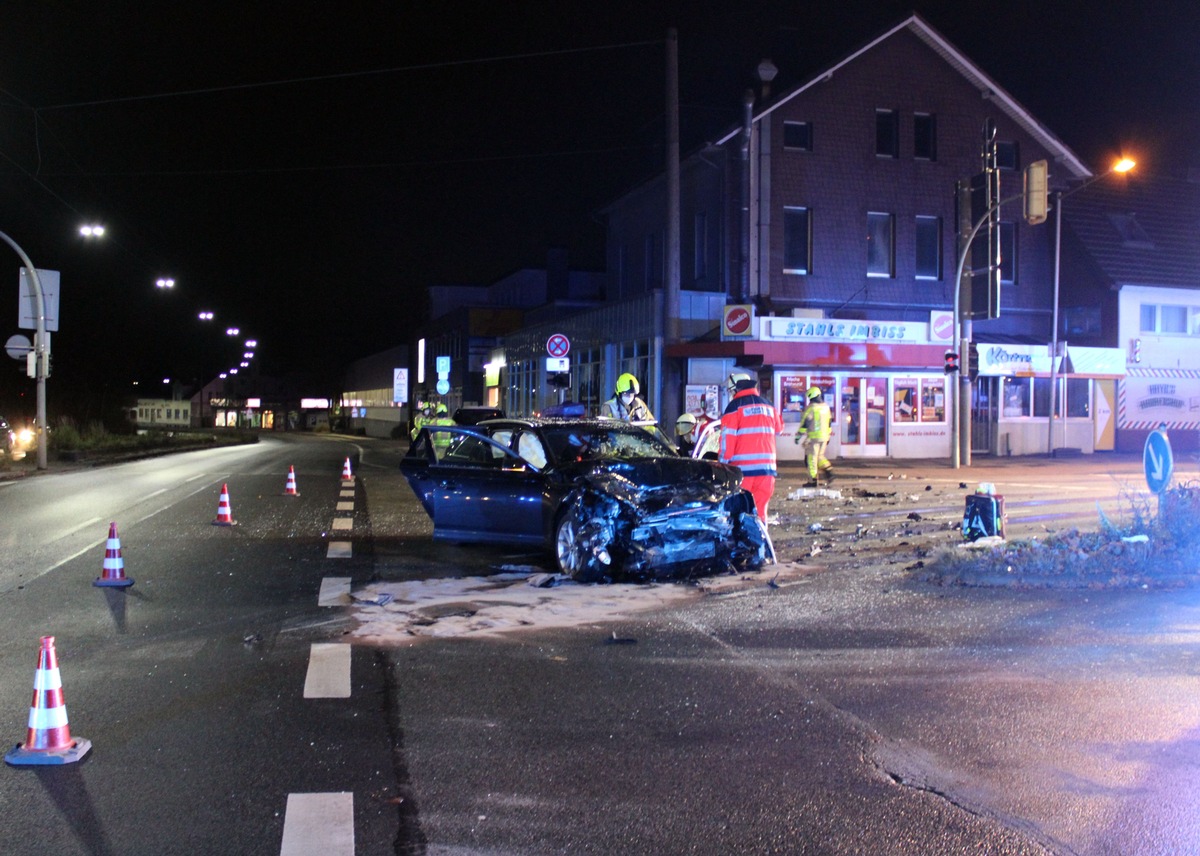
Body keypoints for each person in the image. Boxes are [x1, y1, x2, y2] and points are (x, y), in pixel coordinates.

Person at [719, 370, 782, 521]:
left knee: (741, 514)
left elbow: (727, 441)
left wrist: (721, 463)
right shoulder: (768, 406)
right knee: (760, 513)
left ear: (737, 389)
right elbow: (779, 429)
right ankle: (761, 542)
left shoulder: (734, 408)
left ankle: (744, 543)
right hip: (767, 471)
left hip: (742, 472)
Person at [795, 385, 834, 486]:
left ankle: (812, 481)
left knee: (811, 459)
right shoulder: (826, 407)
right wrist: (828, 435)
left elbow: (804, 424)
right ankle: (829, 471)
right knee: (820, 456)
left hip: (814, 438)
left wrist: (798, 436)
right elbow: (829, 422)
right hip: (825, 437)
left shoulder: (811, 408)